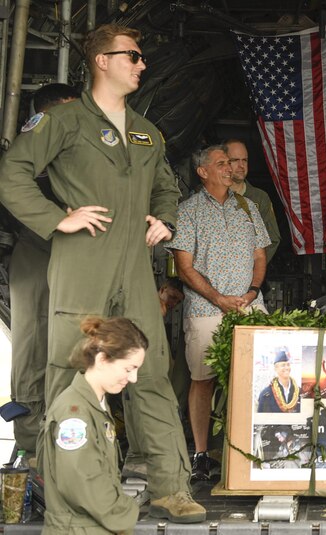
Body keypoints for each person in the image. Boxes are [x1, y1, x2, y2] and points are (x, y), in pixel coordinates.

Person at [0, 24, 205, 522]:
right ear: (101, 61)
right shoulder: (63, 121)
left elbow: (166, 186)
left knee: (150, 373)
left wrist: (166, 219)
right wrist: (56, 220)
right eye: (131, 56)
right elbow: (12, 174)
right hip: (81, 260)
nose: (140, 64)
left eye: (140, 56)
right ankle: (65, 490)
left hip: (134, 268)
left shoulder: (146, 130)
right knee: (70, 371)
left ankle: (170, 487)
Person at [167, 144, 271, 480]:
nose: (229, 168)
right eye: (221, 163)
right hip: (205, 308)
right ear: (203, 172)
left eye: (230, 163)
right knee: (203, 380)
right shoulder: (189, 210)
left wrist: (252, 292)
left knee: (260, 378)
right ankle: (200, 453)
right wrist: (218, 297)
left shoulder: (248, 207)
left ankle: (259, 448)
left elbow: (259, 256)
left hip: (249, 305)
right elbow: (184, 267)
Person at [7, 83, 79, 456]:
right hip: (38, 246)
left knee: (81, 343)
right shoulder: (32, 145)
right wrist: (58, 217)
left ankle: (74, 436)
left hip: (82, 252)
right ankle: (33, 444)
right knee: (32, 342)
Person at [41, 317, 146, 533]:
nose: (133, 378)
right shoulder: (75, 414)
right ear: (102, 359)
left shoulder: (96, 406)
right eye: (128, 368)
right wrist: (126, 513)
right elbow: (83, 480)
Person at [225, 139, 281, 263]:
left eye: (245, 160)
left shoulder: (259, 198)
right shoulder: (209, 195)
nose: (241, 165)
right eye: (235, 160)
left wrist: (253, 270)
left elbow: (272, 239)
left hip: (248, 276)